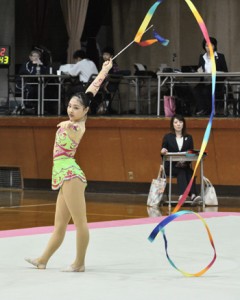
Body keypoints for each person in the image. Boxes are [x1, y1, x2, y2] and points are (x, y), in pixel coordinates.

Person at [25, 58, 113, 272]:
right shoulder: (79, 112)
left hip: (71, 176)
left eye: (76, 108)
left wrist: (68, 123)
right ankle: (43, 259)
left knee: (80, 222)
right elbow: (91, 91)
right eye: (70, 106)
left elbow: (74, 128)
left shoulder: (77, 127)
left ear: (85, 111)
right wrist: (103, 70)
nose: (71, 110)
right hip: (64, 175)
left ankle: (79, 263)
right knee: (59, 225)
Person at [161, 114, 201, 204]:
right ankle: (182, 195)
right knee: (181, 171)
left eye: (180, 122)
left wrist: (186, 160)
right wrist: (163, 150)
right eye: (176, 122)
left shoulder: (189, 137)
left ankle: (193, 195)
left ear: (183, 124)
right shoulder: (167, 137)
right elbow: (163, 150)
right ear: (173, 124)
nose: (178, 124)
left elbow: (191, 153)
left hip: (184, 165)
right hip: (170, 166)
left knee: (190, 171)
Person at [194, 37, 228, 116]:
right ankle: (202, 109)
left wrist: (216, 72)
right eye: (206, 46)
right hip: (204, 81)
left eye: (211, 45)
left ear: (214, 46)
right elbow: (199, 68)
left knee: (206, 91)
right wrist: (199, 72)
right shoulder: (202, 57)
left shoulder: (220, 56)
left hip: (216, 83)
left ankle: (210, 110)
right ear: (204, 47)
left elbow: (225, 71)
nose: (208, 48)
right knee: (196, 90)